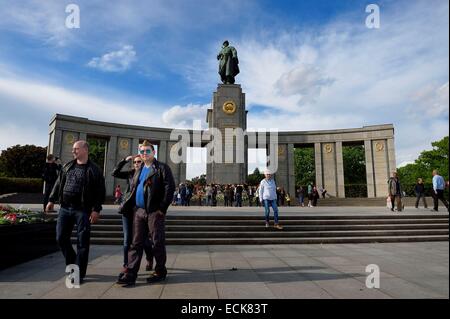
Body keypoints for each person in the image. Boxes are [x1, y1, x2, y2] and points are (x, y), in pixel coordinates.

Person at [46, 140, 105, 283]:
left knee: (82, 243)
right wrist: (51, 200)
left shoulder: (94, 170)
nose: (73, 151)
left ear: (85, 150)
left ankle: (78, 274)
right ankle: (73, 262)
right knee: (61, 238)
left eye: (76, 149)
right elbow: (59, 183)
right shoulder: (67, 166)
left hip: (83, 211)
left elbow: (100, 192)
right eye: (73, 149)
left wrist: (96, 209)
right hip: (65, 208)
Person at [116, 140, 175, 286]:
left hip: (155, 211)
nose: (144, 154)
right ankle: (131, 273)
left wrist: (162, 208)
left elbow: (170, 188)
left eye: (147, 151)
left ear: (153, 152)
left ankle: (160, 271)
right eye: (142, 151)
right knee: (135, 243)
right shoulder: (139, 169)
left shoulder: (161, 168)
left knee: (157, 242)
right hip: (139, 211)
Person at [112, 154, 153, 280]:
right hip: (128, 210)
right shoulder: (130, 173)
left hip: (141, 210)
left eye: (139, 161)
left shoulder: (148, 174)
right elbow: (115, 173)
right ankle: (126, 265)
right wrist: (125, 160)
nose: (137, 163)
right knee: (127, 239)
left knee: (144, 239)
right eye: (135, 162)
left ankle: (150, 257)